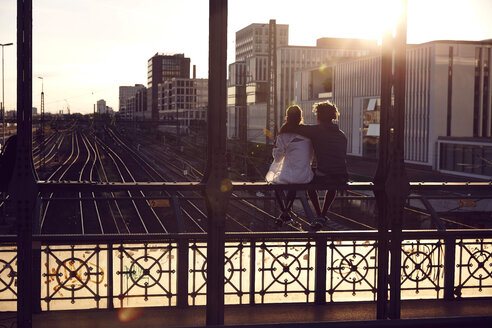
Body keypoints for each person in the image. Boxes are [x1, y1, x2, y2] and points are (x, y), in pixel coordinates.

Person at [293, 101, 348, 224]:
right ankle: (323, 215)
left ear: (319, 116)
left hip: (325, 174)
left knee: (309, 183)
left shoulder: (316, 130)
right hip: (342, 175)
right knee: (332, 184)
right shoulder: (341, 134)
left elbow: (296, 128)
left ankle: (320, 214)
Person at [266, 105, 313, 223]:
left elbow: (277, 158)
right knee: (293, 183)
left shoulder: (283, 134)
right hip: (305, 175)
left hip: (294, 175)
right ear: (300, 117)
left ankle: (285, 212)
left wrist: (275, 150)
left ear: (287, 117)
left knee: (275, 183)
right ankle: (285, 214)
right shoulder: (307, 132)